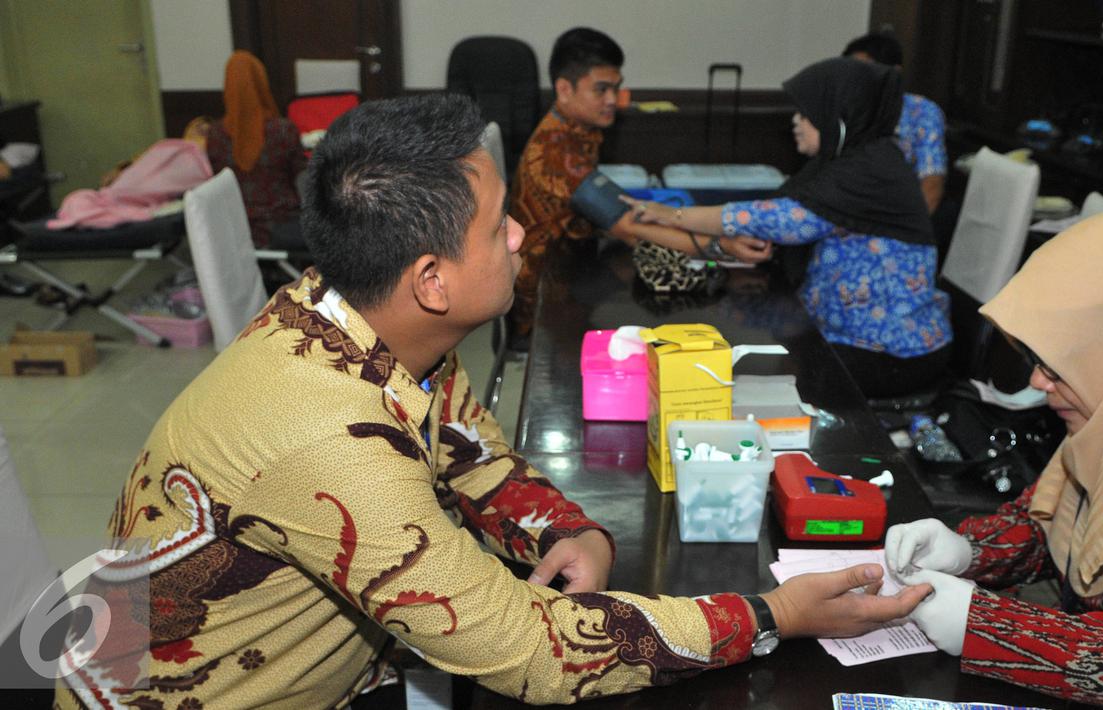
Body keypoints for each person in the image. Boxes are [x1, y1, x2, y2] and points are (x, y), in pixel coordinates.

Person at [54, 94, 929, 708]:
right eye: (499, 223)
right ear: (430, 279)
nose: (519, 237)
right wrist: (773, 614)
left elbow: (467, 451)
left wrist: (563, 527)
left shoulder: (358, 317)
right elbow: (530, 650)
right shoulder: (330, 442)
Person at [885, 208, 1103, 709]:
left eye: (1062, 365)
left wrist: (989, 628)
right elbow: (1054, 530)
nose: (1037, 383)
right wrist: (969, 552)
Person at [631, 58, 952, 399]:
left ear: (836, 117)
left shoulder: (869, 169)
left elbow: (777, 220)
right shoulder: (845, 161)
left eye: (806, 113)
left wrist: (672, 215)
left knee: (761, 385)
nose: (795, 122)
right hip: (844, 334)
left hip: (890, 351)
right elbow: (770, 211)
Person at [508, 27, 770, 344]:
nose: (612, 100)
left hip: (575, 262)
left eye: (615, 89)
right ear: (565, 89)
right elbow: (629, 225)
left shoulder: (577, 129)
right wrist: (724, 247)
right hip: (546, 296)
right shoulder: (555, 151)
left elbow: (616, 207)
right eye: (601, 90)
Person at [206, 50, 307, 248]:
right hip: (281, 224)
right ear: (261, 84)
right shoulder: (282, 130)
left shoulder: (215, 135)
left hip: (231, 228)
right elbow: (301, 175)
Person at [843, 33, 947, 214]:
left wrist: (905, 229)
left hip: (905, 210)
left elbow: (932, 181)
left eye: (866, 70)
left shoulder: (922, 111)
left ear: (895, 72)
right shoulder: (846, 106)